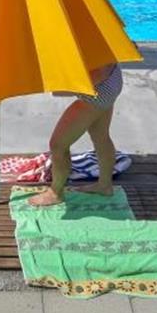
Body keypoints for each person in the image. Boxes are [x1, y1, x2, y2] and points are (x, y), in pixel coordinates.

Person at [28, 62, 125, 207]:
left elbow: (97, 74)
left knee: (58, 145)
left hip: (98, 89)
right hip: (112, 79)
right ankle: (105, 186)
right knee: (101, 136)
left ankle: (56, 193)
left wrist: (60, 87)